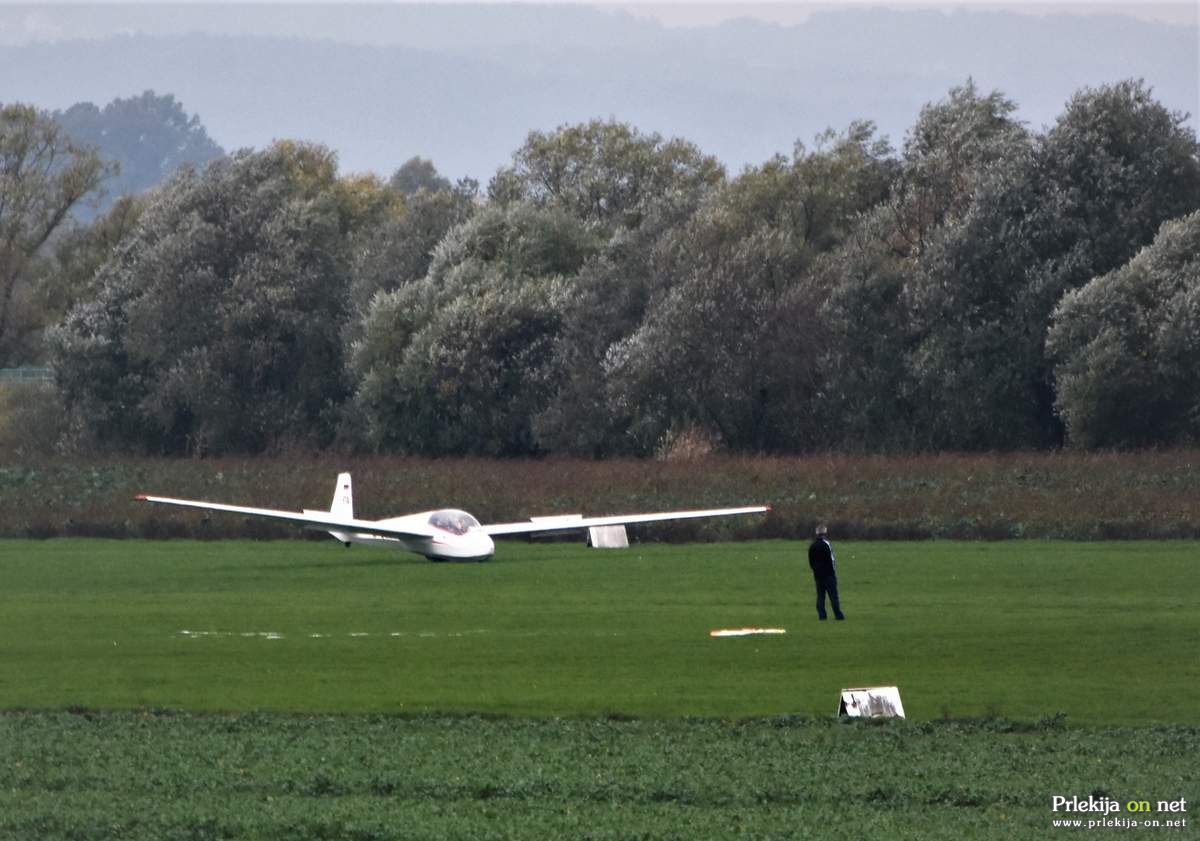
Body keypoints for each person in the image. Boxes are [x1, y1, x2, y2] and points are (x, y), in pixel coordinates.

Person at [808, 524, 844, 620]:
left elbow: (811, 561)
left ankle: (822, 615)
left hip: (818, 575)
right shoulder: (826, 544)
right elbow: (831, 559)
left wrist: (815, 570)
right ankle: (838, 615)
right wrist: (832, 571)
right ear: (825, 533)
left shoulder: (812, 546)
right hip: (829, 574)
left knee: (820, 596)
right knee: (833, 596)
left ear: (817, 533)